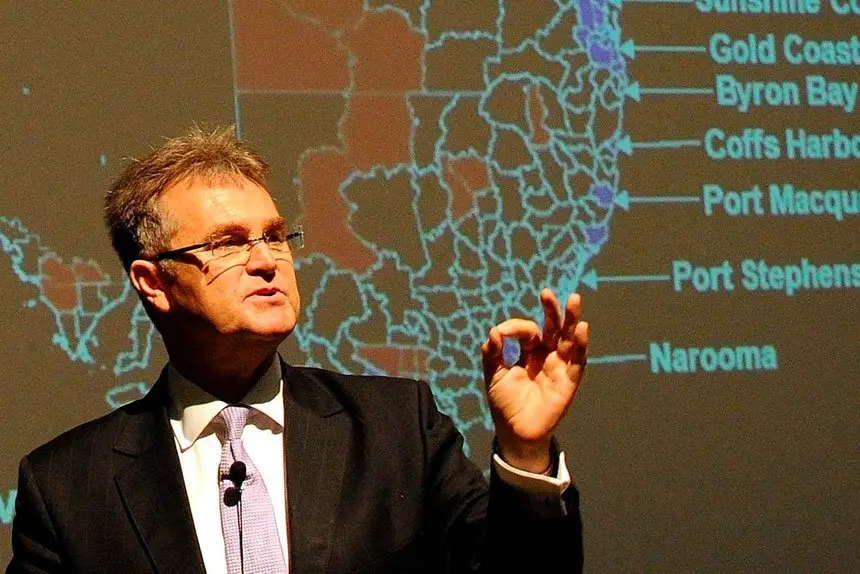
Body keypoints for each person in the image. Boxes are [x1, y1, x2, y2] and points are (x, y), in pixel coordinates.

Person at [7, 126, 589, 573]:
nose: (268, 260)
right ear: (153, 282)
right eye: (228, 243)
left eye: (274, 235)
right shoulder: (67, 489)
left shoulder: (396, 430)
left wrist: (525, 452)